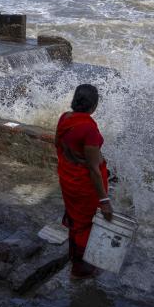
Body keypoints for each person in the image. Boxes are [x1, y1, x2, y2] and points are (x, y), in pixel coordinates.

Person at [56, 83, 111, 279]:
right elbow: (94, 170)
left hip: (68, 177)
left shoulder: (65, 118)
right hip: (84, 186)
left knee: (76, 220)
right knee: (85, 224)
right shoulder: (88, 128)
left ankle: (75, 261)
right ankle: (80, 270)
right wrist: (104, 201)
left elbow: (61, 145)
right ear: (94, 105)